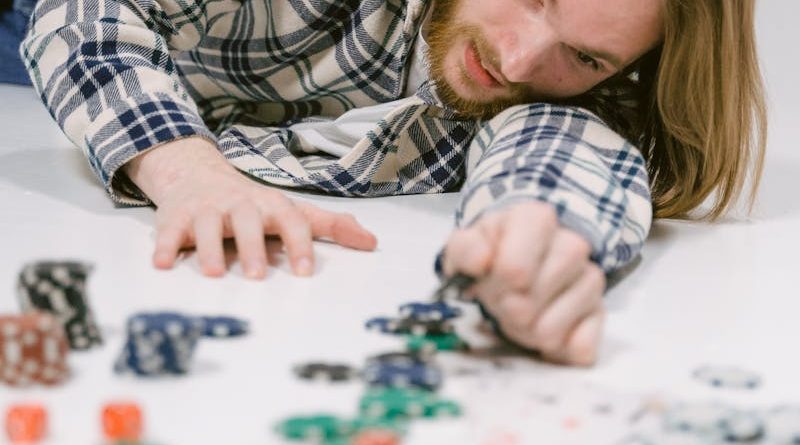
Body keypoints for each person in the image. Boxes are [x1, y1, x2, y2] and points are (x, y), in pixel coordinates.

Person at [20, 0, 766, 366]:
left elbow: (569, 149)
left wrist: (541, 233)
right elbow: (82, 13)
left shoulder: (572, 88)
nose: (520, 60)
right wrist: (187, 169)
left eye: (585, 58)